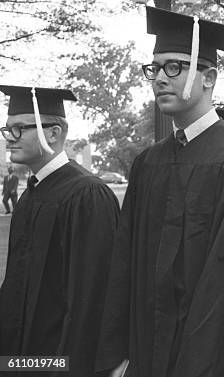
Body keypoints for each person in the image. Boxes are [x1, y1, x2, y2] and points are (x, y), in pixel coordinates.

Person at [96, 7, 224, 377]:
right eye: (155, 68)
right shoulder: (148, 164)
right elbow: (124, 266)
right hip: (150, 352)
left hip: (215, 358)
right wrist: (116, 355)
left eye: (173, 67)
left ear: (208, 77)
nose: (160, 78)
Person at [0, 85, 120, 377]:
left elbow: (90, 300)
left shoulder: (87, 196)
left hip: (59, 364)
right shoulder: (30, 196)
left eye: (19, 129)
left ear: (53, 133)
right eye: (7, 129)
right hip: (19, 361)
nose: (9, 139)